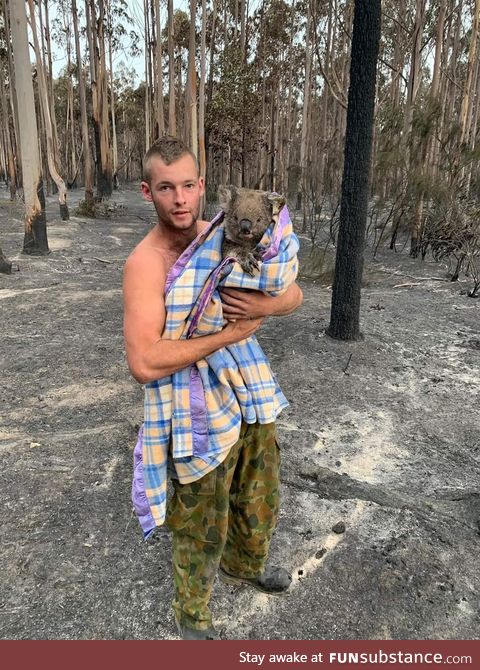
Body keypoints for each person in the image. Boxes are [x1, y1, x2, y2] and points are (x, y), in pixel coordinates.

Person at [123, 136, 303, 640]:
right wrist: (228, 334)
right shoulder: (145, 264)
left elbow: (293, 291)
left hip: (247, 391)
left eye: (187, 185)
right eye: (165, 188)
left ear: (203, 188)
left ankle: (246, 564)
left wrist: (264, 308)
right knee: (201, 517)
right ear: (147, 191)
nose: (179, 199)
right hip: (192, 408)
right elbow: (144, 360)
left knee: (258, 491)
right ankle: (193, 615)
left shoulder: (222, 233)